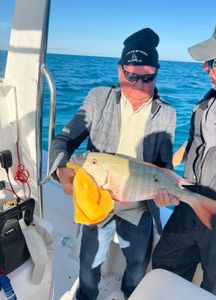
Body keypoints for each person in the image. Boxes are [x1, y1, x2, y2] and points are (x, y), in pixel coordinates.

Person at [49, 28, 176, 300]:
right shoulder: (98, 98)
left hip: (138, 203)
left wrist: (167, 190)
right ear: (120, 71)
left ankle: (132, 295)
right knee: (89, 262)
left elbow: (164, 165)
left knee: (138, 264)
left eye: (148, 78)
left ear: (157, 73)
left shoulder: (167, 113)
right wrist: (61, 171)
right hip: (97, 195)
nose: (139, 85)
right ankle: (85, 295)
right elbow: (64, 140)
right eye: (131, 76)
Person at [152, 13, 216, 300]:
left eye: (214, 60)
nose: (204, 67)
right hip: (188, 209)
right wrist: (163, 177)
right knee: (164, 269)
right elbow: (192, 147)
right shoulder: (204, 105)